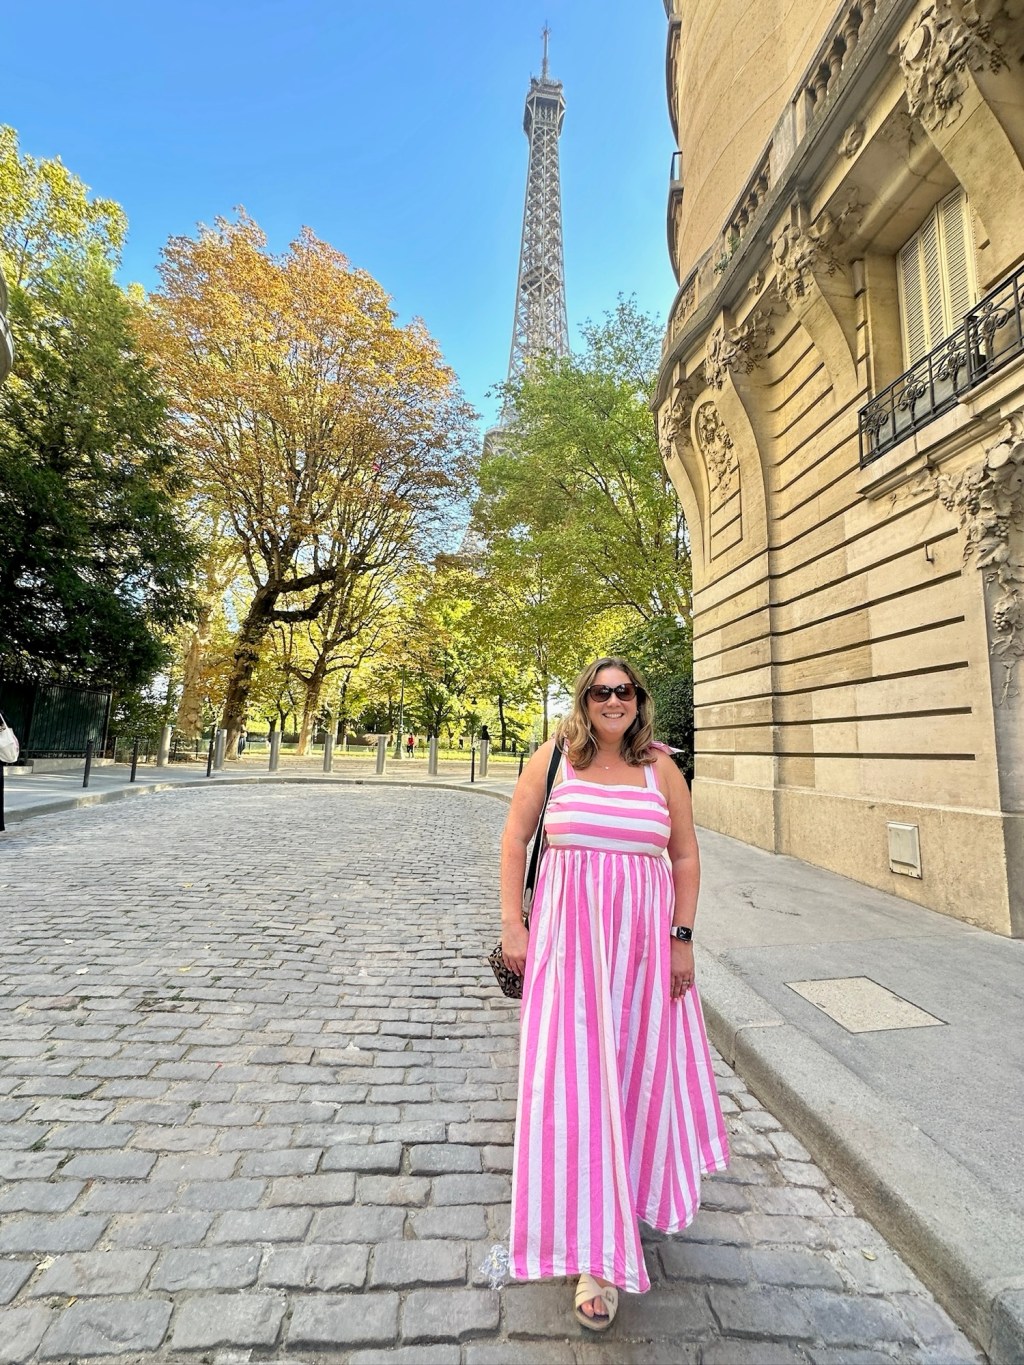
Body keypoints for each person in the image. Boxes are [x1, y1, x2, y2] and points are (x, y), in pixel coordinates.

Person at [500, 657, 729, 1331]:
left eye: (623, 690)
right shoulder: (553, 760)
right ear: (584, 700)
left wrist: (682, 936)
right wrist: (514, 924)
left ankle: (622, 1199)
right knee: (572, 1088)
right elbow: (516, 840)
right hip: (567, 957)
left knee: (630, 1084)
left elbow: (684, 855)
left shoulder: (663, 770)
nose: (611, 700)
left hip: (640, 958)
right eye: (600, 691)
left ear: (638, 700)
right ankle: (595, 1256)